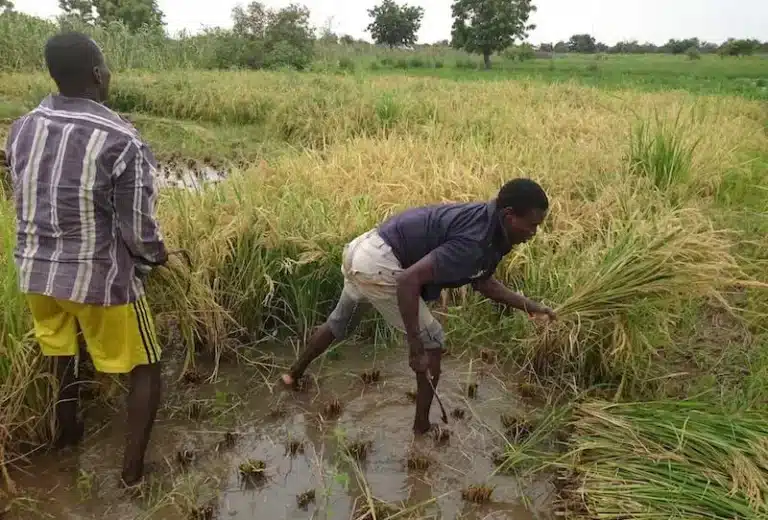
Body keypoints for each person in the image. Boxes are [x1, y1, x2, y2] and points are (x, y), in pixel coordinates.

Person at [4, 32, 168, 487]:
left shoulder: (21, 128)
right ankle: (133, 474)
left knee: (61, 351)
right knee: (147, 367)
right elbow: (138, 230)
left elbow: (23, 193)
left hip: (36, 274)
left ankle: (67, 437)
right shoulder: (121, 140)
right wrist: (158, 258)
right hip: (100, 279)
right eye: (107, 66)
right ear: (98, 73)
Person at [281, 178, 557, 434]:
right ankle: (422, 428)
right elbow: (407, 281)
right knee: (432, 341)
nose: (534, 233)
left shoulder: (490, 224)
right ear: (509, 215)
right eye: (532, 225)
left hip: (364, 250)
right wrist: (415, 346)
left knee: (339, 323)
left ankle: (292, 376)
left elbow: (484, 283)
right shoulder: (475, 240)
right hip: (380, 265)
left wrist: (530, 306)